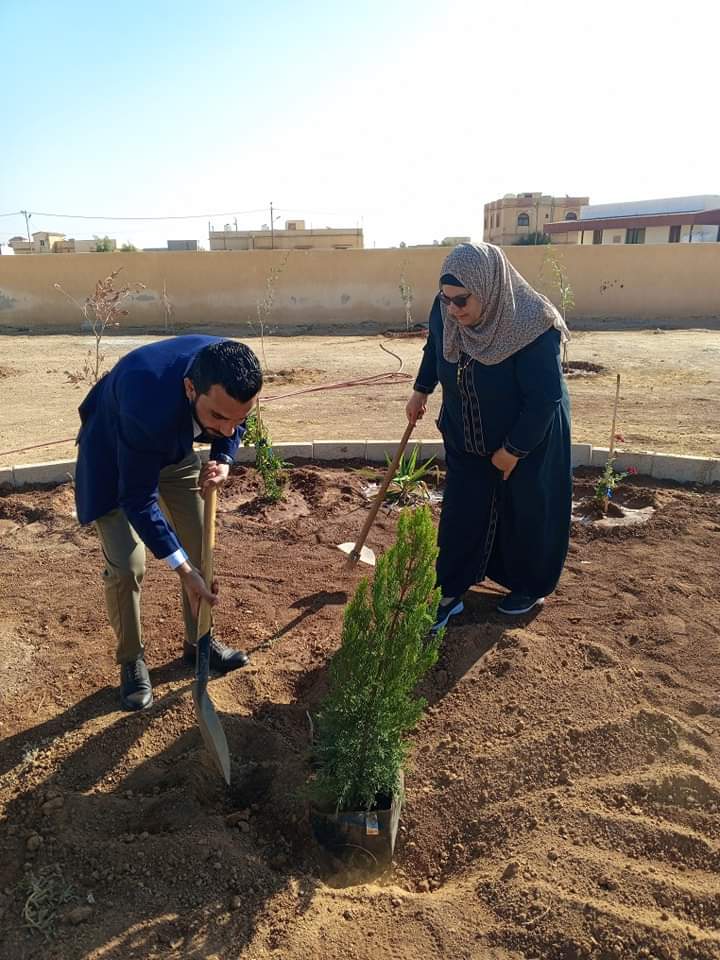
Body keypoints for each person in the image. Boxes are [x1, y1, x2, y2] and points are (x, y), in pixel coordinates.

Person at [75, 336, 263, 710]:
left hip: (170, 451)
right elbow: (138, 499)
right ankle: (131, 660)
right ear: (190, 388)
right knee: (128, 566)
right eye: (218, 418)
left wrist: (224, 457)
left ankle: (199, 645)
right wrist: (182, 569)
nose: (228, 428)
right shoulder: (146, 399)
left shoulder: (230, 371)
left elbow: (233, 419)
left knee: (200, 547)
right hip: (115, 460)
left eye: (237, 419)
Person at [405, 242, 572, 630]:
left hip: (529, 434)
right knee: (462, 511)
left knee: (525, 512)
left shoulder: (532, 323)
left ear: (489, 288)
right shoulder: (447, 309)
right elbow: (436, 347)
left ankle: (529, 587)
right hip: (466, 430)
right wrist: (421, 390)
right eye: (446, 299)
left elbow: (544, 398)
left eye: (461, 300)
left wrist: (512, 450)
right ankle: (449, 593)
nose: (452, 309)